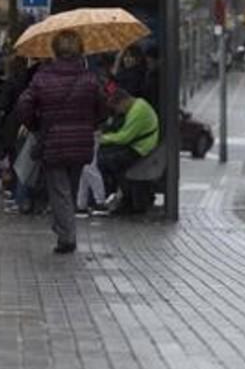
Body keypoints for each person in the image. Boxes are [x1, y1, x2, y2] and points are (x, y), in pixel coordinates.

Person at [17, 30, 108, 253]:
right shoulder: (89, 78)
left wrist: (34, 125)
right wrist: (91, 123)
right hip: (81, 140)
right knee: (70, 188)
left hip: (53, 141)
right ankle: (63, 228)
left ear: (55, 50)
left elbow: (24, 104)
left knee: (60, 191)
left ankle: (67, 236)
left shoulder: (42, 77)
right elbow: (103, 107)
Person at [96, 83, 160, 211]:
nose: (118, 112)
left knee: (108, 162)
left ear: (123, 101)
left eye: (117, 107)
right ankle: (122, 195)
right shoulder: (138, 105)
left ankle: (122, 197)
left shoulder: (137, 111)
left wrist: (102, 139)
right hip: (139, 145)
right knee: (110, 159)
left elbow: (125, 137)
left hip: (140, 148)